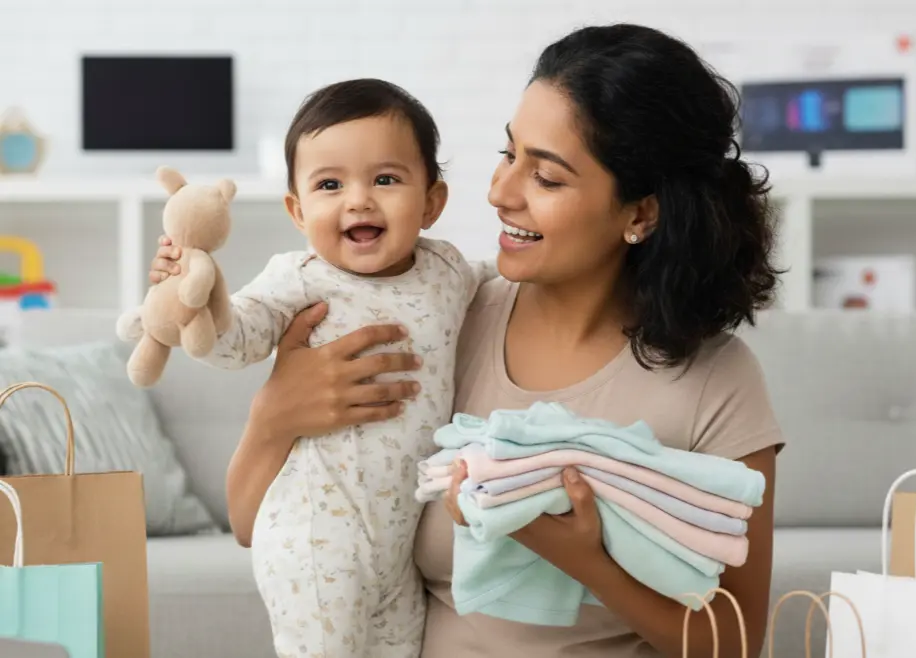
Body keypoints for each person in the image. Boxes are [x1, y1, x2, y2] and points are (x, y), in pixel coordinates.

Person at [151, 23, 785, 658]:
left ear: (640, 213)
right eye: (509, 155)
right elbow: (248, 525)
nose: (499, 193)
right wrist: (273, 413)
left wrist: (586, 562)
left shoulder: (717, 382)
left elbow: (732, 645)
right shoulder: (449, 315)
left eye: (548, 178)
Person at [150, 78, 494, 657]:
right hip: (315, 534)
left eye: (386, 179)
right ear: (297, 209)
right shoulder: (300, 277)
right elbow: (236, 340)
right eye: (330, 184)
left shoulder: (449, 270)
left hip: (399, 547)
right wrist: (197, 300)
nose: (358, 199)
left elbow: (513, 284)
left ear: (432, 201)